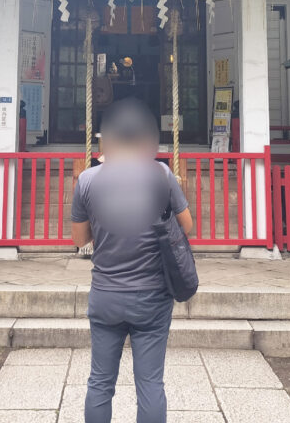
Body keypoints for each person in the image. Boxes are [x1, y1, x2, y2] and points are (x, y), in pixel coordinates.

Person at [71, 97, 193, 423]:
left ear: (106, 139)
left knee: (100, 382)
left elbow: (80, 240)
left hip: (106, 293)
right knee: (151, 383)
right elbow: (188, 226)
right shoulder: (161, 175)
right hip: (153, 295)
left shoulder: (87, 180)